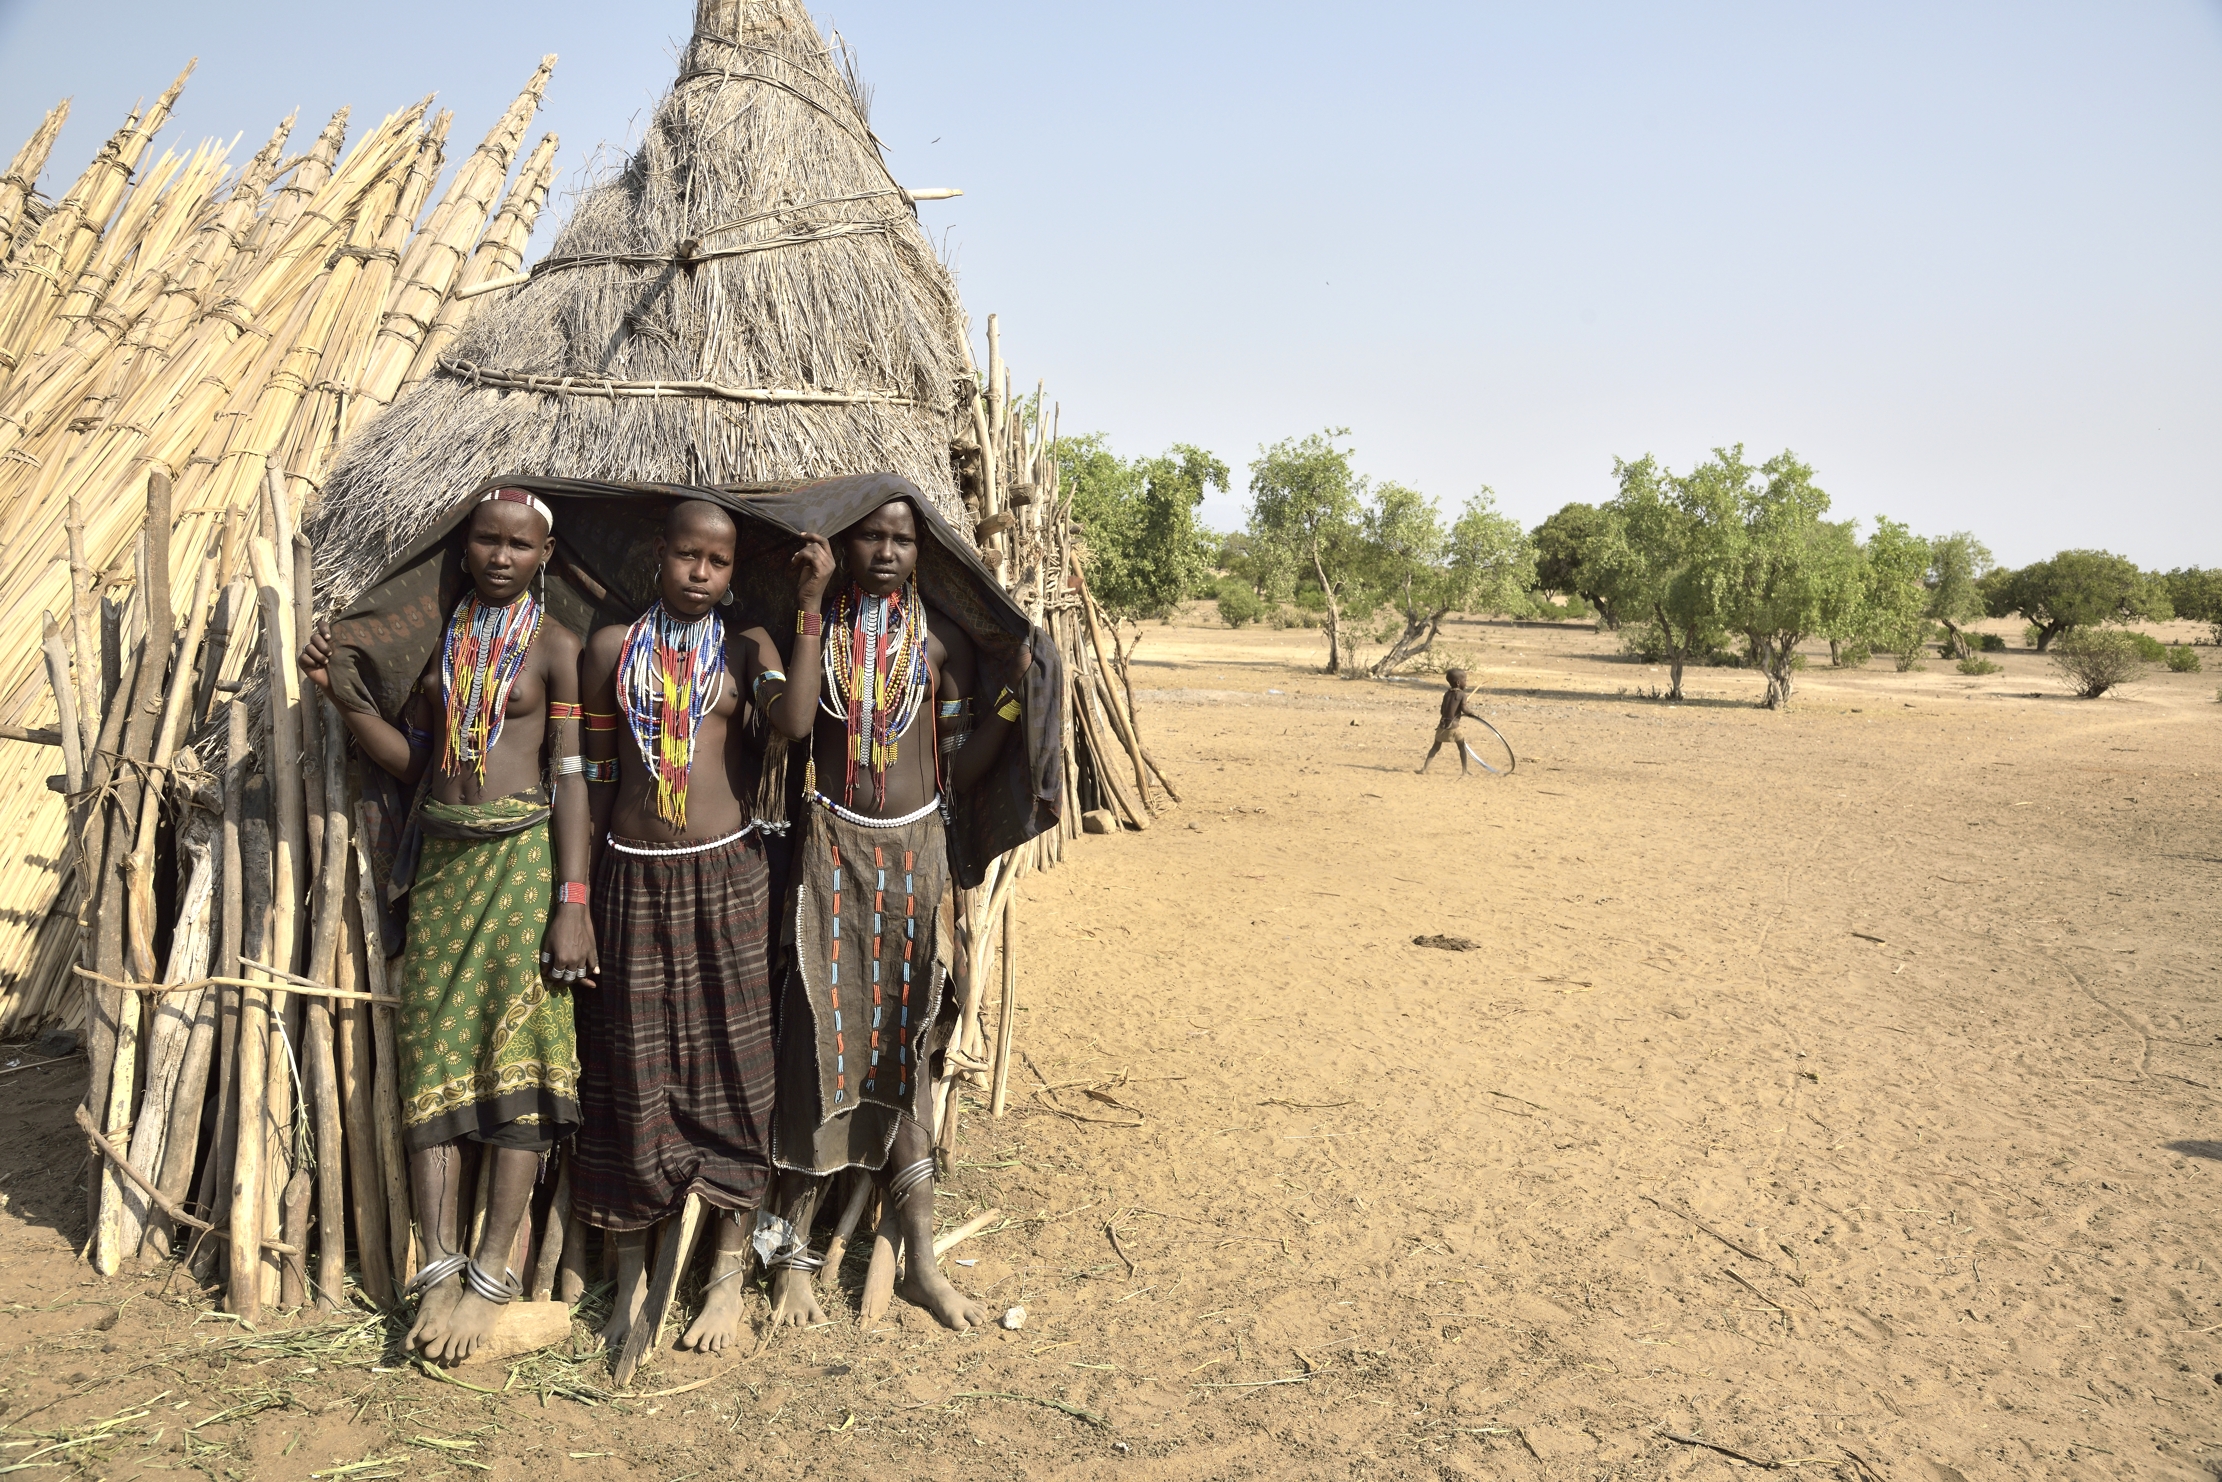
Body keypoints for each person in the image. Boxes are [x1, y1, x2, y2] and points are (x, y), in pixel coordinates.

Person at [300, 487, 591, 1363]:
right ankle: (437, 1273)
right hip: (442, 866)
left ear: (546, 556)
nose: (501, 557)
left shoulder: (556, 648)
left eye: (519, 545)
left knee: (521, 1064)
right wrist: (342, 699)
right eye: (486, 541)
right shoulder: (442, 646)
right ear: (464, 548)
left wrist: (571, 902)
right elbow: (419, 764)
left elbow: (572, 777)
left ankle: (491, 1280)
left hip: (519, 864)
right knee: (434, 1061)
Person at [743, 494, 1028, 1331]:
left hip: (914, 854)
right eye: (870, 533)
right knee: (817, 1041)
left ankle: (921, 1263)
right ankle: (791, 1257)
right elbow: (795, 730)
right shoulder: (814, 634)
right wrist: (806, 605)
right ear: (840, 541)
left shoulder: (936, 643)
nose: (886, 550)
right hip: (830, 845)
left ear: (922, 551)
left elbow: (958, 770)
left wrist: (1010, 705)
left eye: (903, 538)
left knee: (901, 1051)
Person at [573, 499, 787, 1357]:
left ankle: (727, 1276)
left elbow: (800, 722)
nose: (702, 573)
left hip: (729, 875)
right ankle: (629, 1282)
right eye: (688, 556)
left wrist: (802, 616)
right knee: (632, 1067)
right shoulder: (608, 650)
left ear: (734, 571)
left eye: (719, 561)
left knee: (736, 1071)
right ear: (657, 555)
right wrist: (575, 897)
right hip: (629, 872)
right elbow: (585, 778)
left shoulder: (748, 651)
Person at [1420, 667, 1491, 776]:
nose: (1466, 683)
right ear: (1458, 682)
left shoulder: (1447, 694)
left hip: (1442, 726)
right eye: (1465, 680)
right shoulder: (1462, 695)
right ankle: (1464, 771)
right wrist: (1471, 713)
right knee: (1462, 747)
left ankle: (1424, 769)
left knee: (1435, 747)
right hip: (1453, 727)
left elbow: (1442, 710)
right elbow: (1464, 709)